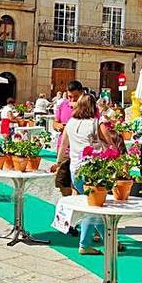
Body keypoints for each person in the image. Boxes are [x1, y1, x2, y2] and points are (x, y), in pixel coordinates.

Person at [56, 94, 108, 255]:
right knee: (93, 208)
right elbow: (108, 143)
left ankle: (110, 240)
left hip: (75, 169)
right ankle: (85, 245)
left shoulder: (71, 123)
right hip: (92, 170)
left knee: (91, 206)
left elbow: (63, 146)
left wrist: (58, 164)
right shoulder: (96, 122)